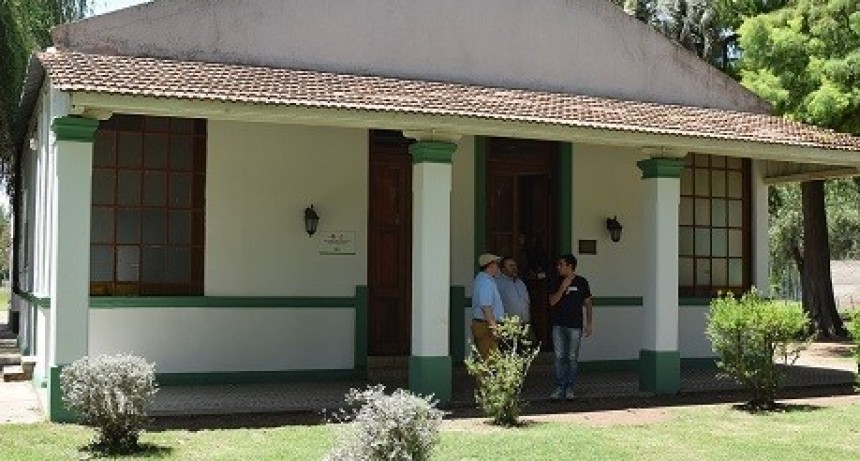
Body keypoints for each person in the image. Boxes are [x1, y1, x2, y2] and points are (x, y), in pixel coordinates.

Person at [547, 254, 593, 400]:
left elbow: (588, 303)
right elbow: (552, 302)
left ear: (570, 266)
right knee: (559, 357)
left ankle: (570, 388)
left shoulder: (582, 282)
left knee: (572, 358)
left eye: (561, 264)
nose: (558, 267)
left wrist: (589, 323)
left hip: (575, 326)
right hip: (558, 325)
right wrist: (562, 288)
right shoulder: (556, 281)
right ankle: (559, 388)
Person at [471, 253, 504, 359]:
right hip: (485, 326)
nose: (499, 267)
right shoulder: (485, 282)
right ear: (490, 266)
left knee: (488, 358)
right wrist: (494, 327)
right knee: (489, 360)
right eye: (497, 264)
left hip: (485, 324)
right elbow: (486, 307)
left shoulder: (484, 280)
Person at [496, 256, 531, 333]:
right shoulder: (498, 283)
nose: (514, 268)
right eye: (511, 266)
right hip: (508, 326)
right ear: (503, 269)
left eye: (515, 265)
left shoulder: (521, 283)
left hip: (524, 325)